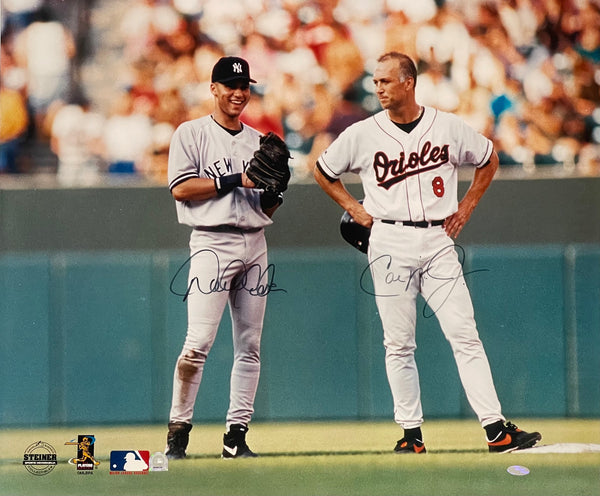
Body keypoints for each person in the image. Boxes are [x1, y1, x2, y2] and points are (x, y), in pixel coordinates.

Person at [314, 51, 542, 454]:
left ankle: (495, 430)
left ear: (408, 82)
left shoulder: (447, 126)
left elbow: (488, 159)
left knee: (464, 333)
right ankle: (411, 435)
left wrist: (467, 205)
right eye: (376, 81)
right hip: (388, 239)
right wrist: (352, 206)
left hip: (437, 240)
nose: (378, 88)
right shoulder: (364, 132)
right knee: (398, 343)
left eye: (386, 80)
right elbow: (323, 169)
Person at [165, 56, 283, 460]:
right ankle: (178, 430)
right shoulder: (191, 133)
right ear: (213, 88)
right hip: (212, 243)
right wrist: (236, 178)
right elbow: (180, 189)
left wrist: (275, 194)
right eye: (230, 84)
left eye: (244, 85)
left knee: (250, 345)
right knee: (197, 343)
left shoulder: (257, 140)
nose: (238, 92)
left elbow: (266, 207)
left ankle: (236, 435)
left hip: (255, 242)